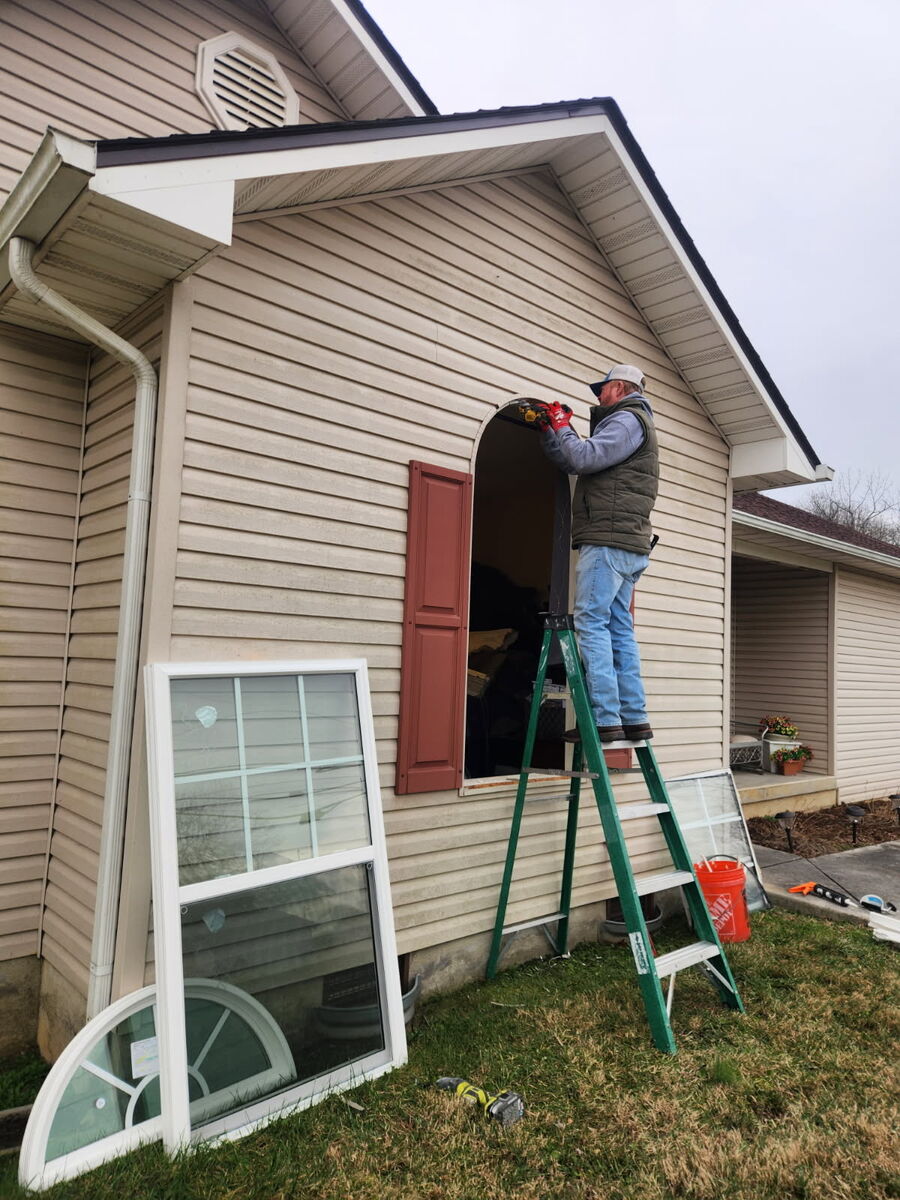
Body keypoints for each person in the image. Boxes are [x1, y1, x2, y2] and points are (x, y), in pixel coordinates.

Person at [534, 364, 659, 744]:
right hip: (626, 544)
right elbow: (574, 458)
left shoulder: (626, 420)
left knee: (591, 623)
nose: (598, 397)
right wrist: (554, 432)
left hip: (608, 541)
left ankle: (605, 721)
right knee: (618, 627)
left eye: (602, 390)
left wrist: (563, 425)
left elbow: (584, 458)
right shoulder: (633, 422)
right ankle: (633, 719)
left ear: (619, 387)